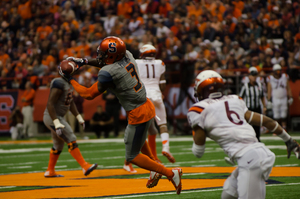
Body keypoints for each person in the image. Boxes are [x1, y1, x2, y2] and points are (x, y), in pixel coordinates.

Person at [59, 36, 182, 194]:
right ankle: (155, 167)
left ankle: (170, 173)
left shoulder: (108, 72)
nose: (100, 56)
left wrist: (70, 79)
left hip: (138, 112)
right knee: (138, 140)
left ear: (111, 55)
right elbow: (105, 62)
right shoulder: (128, 55)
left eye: (103, 53)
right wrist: (84, 61)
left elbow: (89, 94)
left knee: (132, 156)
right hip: (146, 104)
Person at [187, 70, 300, 199]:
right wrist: (288, 140)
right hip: (256, 154)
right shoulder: (234, 100)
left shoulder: (198, 109)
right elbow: (266, 121)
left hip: (250, 159)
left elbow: (198, 152)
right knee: (228, 195)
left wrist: (197, 128)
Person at [43, 76, 98, 177]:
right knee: (71, 138)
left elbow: (70, 101)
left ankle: (50, 170)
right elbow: (50, 103)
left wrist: (78, 116)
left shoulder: (69, 82)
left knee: (58, 145)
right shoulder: (58, 82)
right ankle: (84, 166)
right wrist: (56, 122)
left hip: (57, 117)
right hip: (53, 117)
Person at [135, 44, 175, 163]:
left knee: (143, 128)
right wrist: (160, 91)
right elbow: (162, 85)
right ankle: (166, 148)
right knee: (162, 124)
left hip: (144, 96)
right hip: (157, 94)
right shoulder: (160, 64)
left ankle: (134, 158)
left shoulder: (137, 63)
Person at [239, 67, 267, 141]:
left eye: (255, 76)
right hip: (248, 108)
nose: (254, 77)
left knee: (257, 125)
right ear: (249, 77)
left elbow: (262, 96)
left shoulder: (259, 86)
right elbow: (240, 97)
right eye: (253, 76)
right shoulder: (245, 86)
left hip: (257, 107)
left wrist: (264, 106)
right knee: (248, 125)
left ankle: (257, 139)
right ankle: (248, 139)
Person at [267, 64, 293, 130]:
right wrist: (269, 100)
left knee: (284, 114)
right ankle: (277, 129)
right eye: (277, 71)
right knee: (276, 115)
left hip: (284, 98)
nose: (278, 72)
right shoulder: (270, 79)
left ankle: (284, 128)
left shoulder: (285, 77)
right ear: (274, 71)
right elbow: (269, 90)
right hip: (275, 98)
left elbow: (288, 88)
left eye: (279, 71)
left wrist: (291, 97)